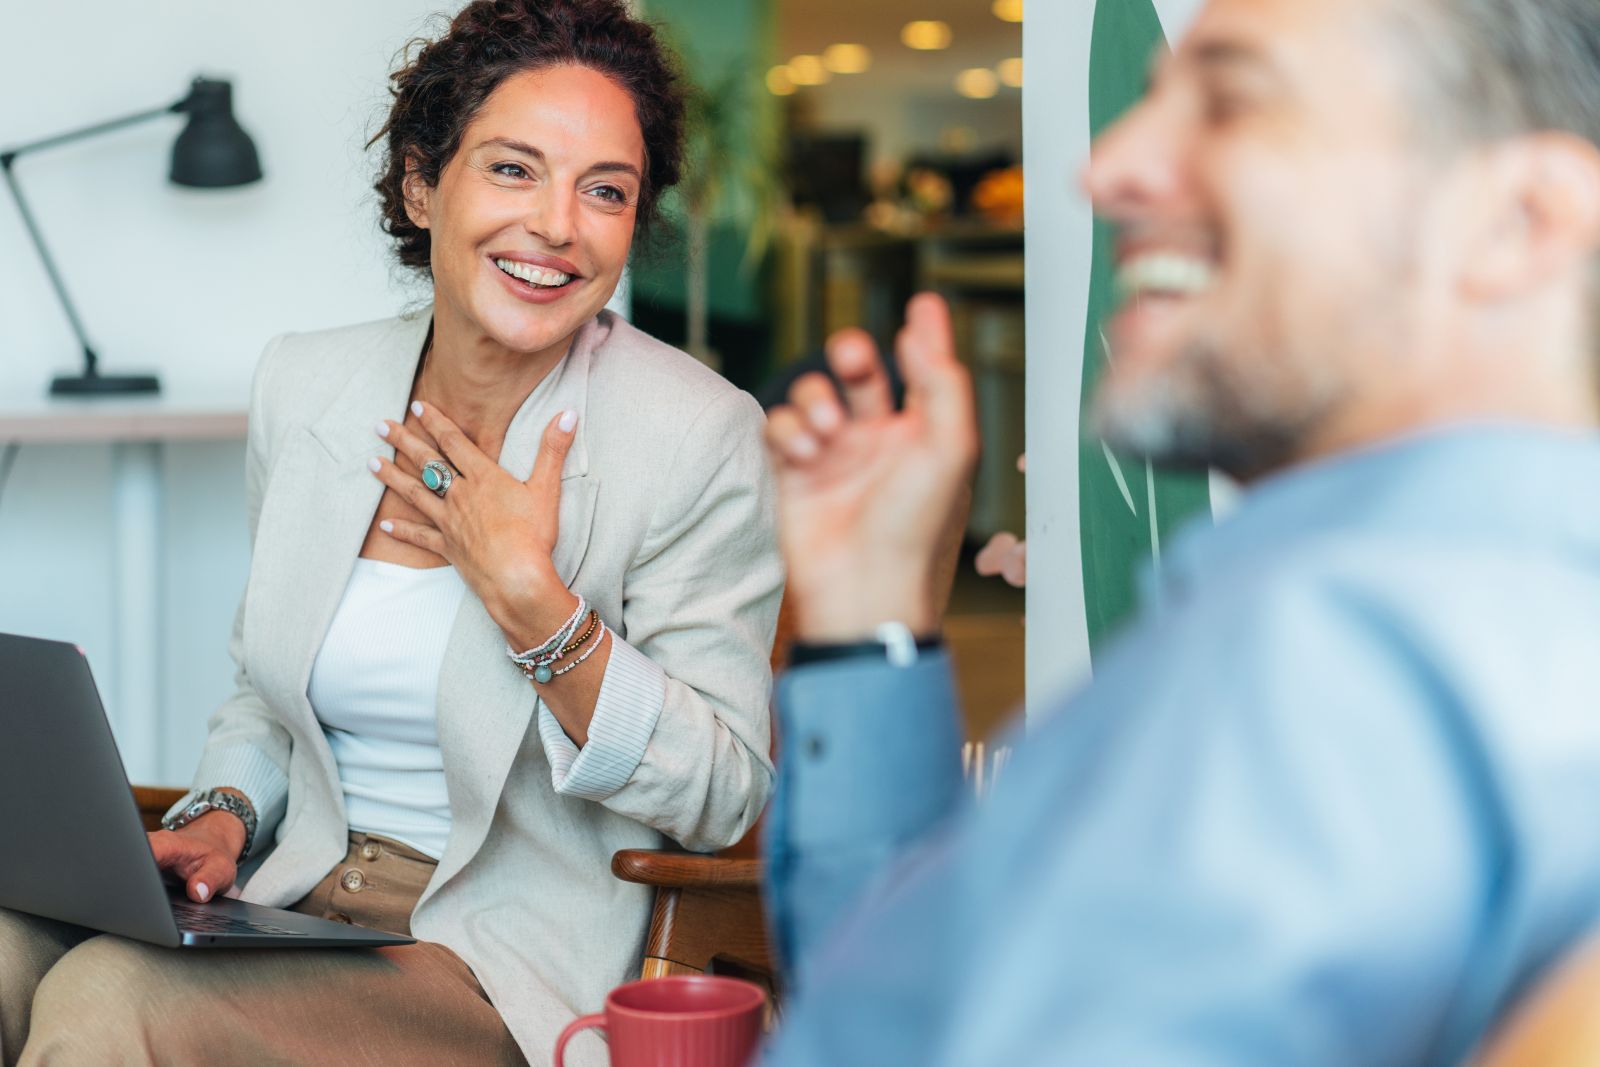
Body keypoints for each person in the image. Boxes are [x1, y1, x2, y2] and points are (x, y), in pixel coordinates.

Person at [760, 0, 1600, 1063]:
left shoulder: (1328, 667)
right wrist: (867, 615)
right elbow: (939, 1011)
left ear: (1518, 220)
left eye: (1233, 99)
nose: (1105, 164)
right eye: (1154, 100)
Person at [0, 1, 780, 1064]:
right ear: (422, 185)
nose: (557, 223)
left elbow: (724, 788)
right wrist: (225, 811)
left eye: (604, 190)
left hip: (492, 964)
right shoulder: (308, 384)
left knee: (108, 993)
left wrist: (535, 604)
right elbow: (262, 696)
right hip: (286, 904)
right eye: (513, 169)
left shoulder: (692, 435)